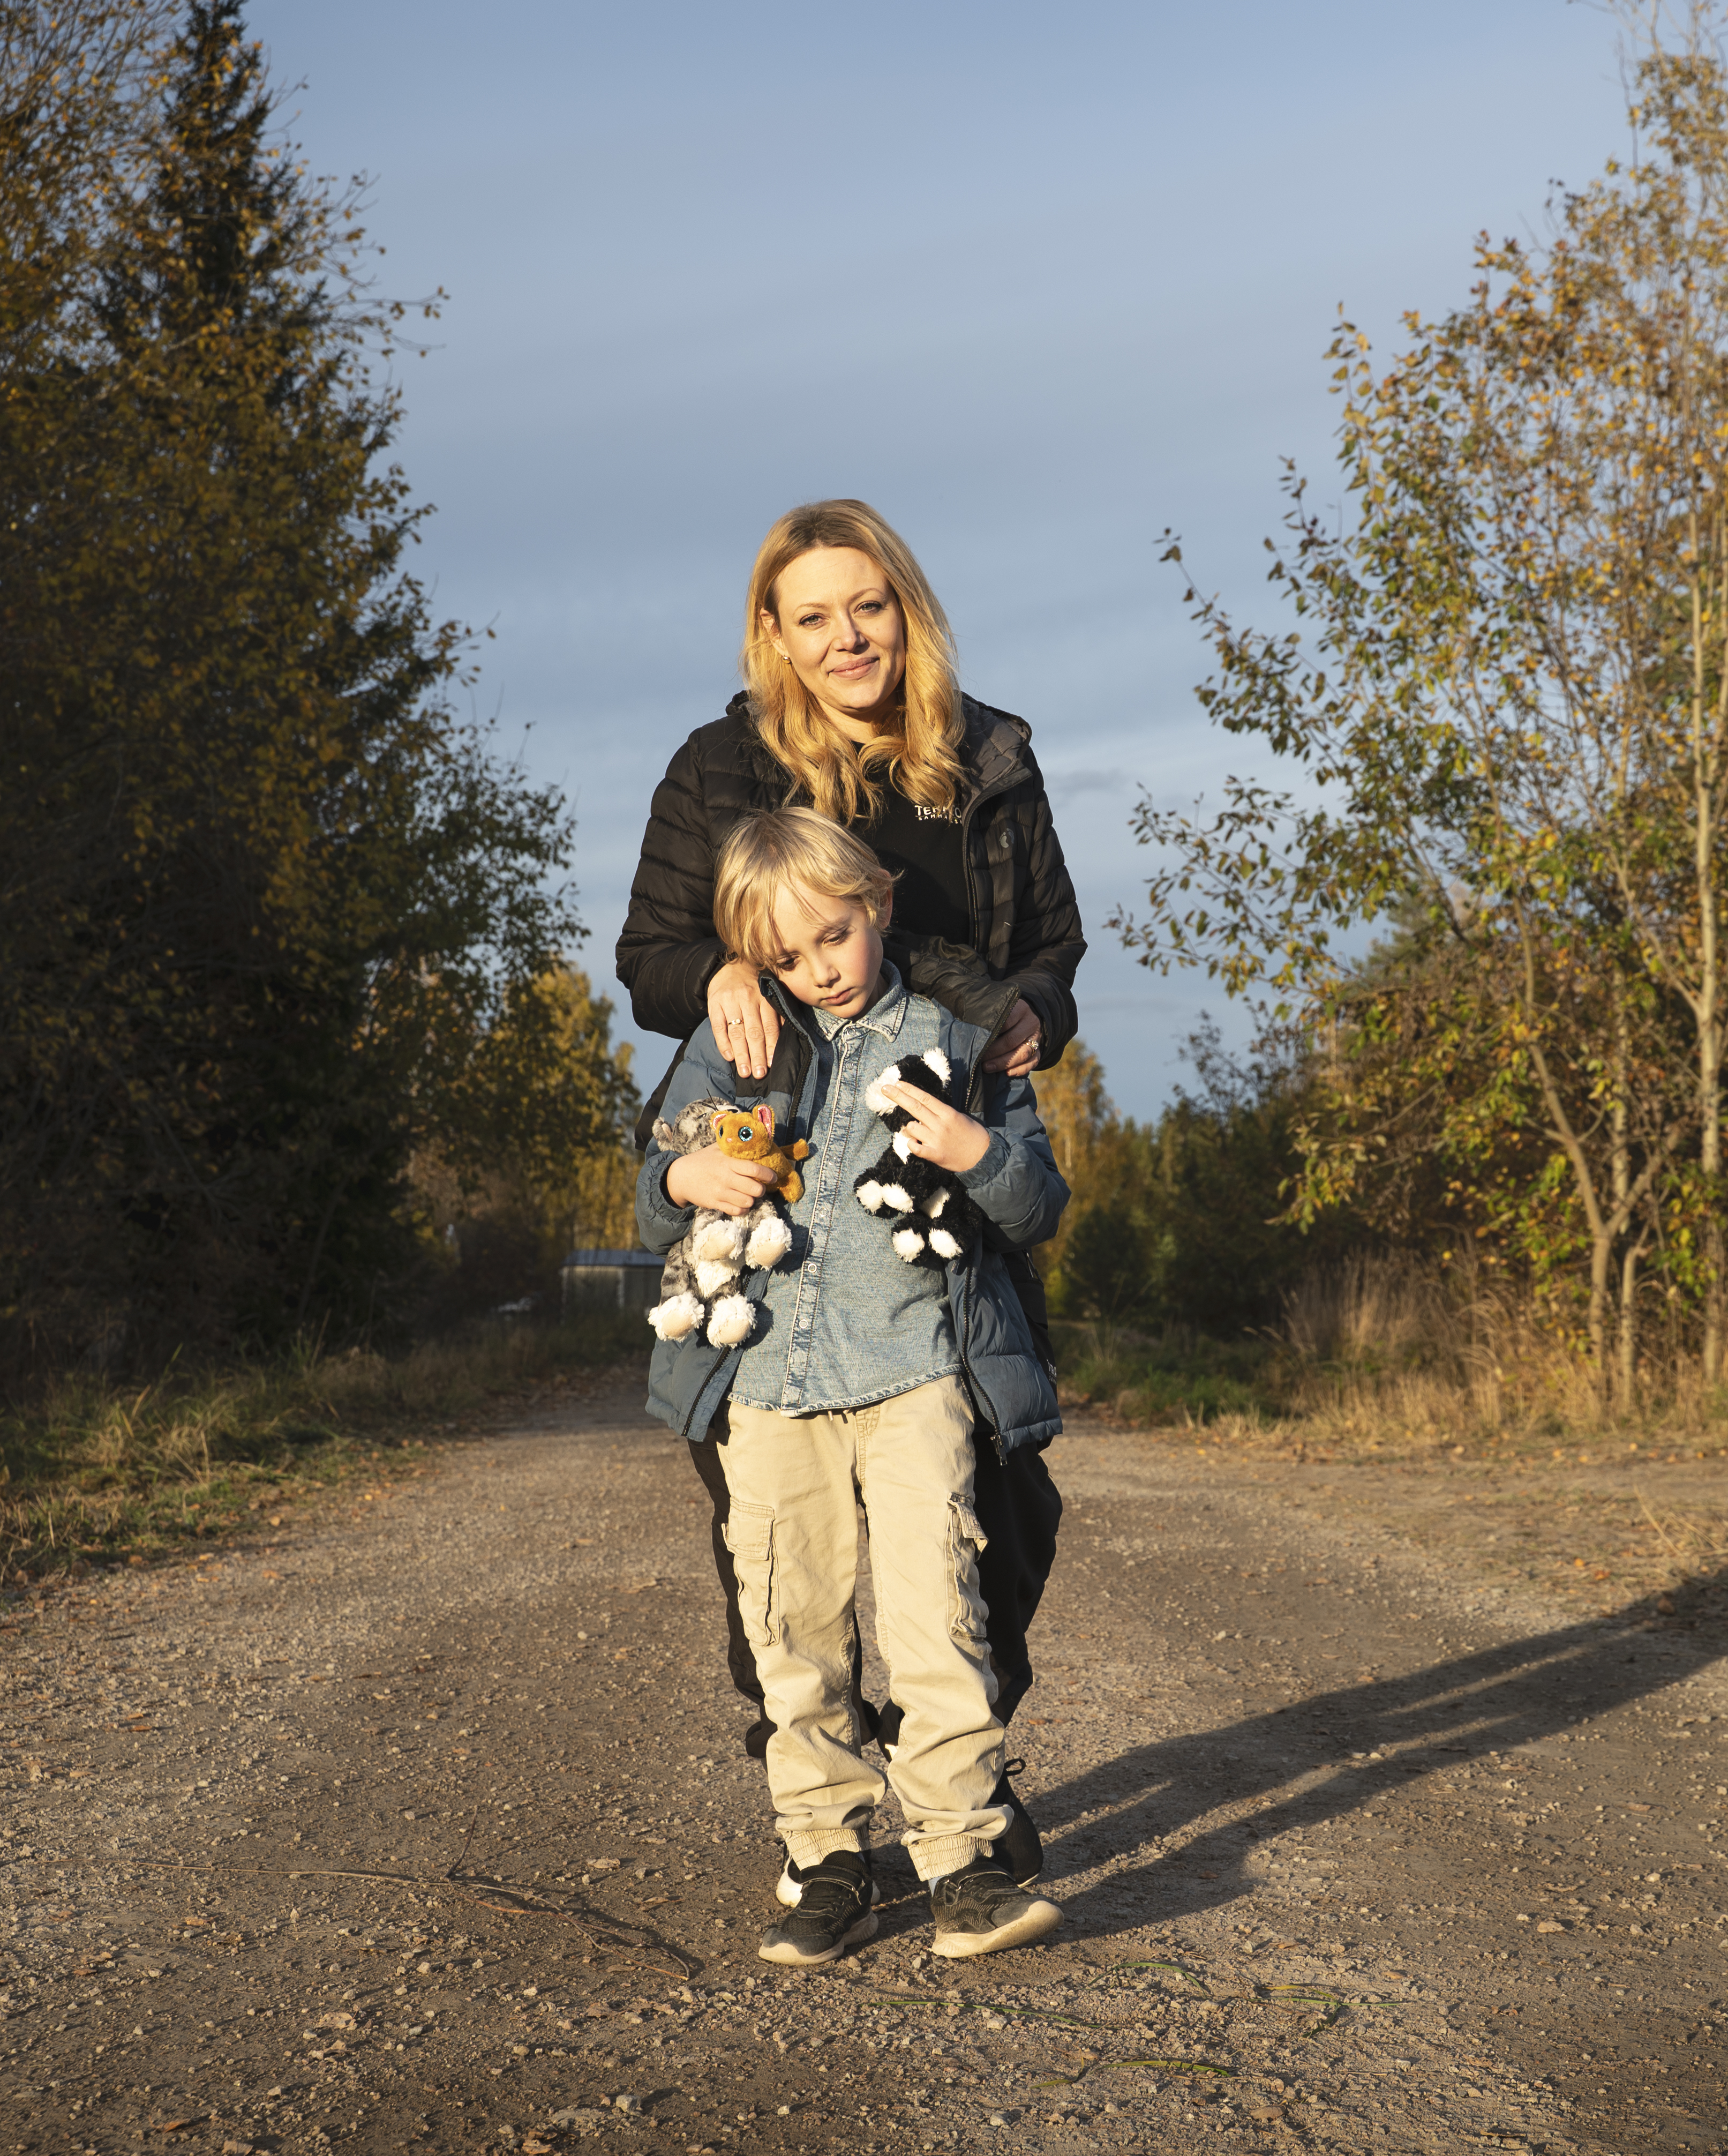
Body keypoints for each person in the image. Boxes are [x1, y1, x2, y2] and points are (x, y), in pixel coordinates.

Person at [614, 500, 1080, 1848]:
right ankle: (820, 1794)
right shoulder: (720, 766)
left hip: (948, 1144)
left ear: (907, 605)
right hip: (775, 1160)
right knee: (776, 1528)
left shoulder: (987, 756)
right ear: (773, 631)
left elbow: (1051, 942)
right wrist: (714, 969)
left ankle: (953, 1765)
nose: (846, 636)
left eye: (866, 605)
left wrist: (1038, 1007)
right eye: (811, 615)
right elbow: (647, 951)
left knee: (1005, 1497)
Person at [637, 808, 1068, 1964]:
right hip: (769, 1384)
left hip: (916, 1372)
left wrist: (977, 1153)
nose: (819, 969)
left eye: (835, 935)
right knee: (793, 1626)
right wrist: (686, 1170)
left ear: (877, 905)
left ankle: (961, 1861)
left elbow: (1039, 1203)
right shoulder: (737, 1038)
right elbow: (647, 1192)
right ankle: (828, 1854)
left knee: (939, 1616)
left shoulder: (958, 1036)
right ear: (755, 959)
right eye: (788, 956)